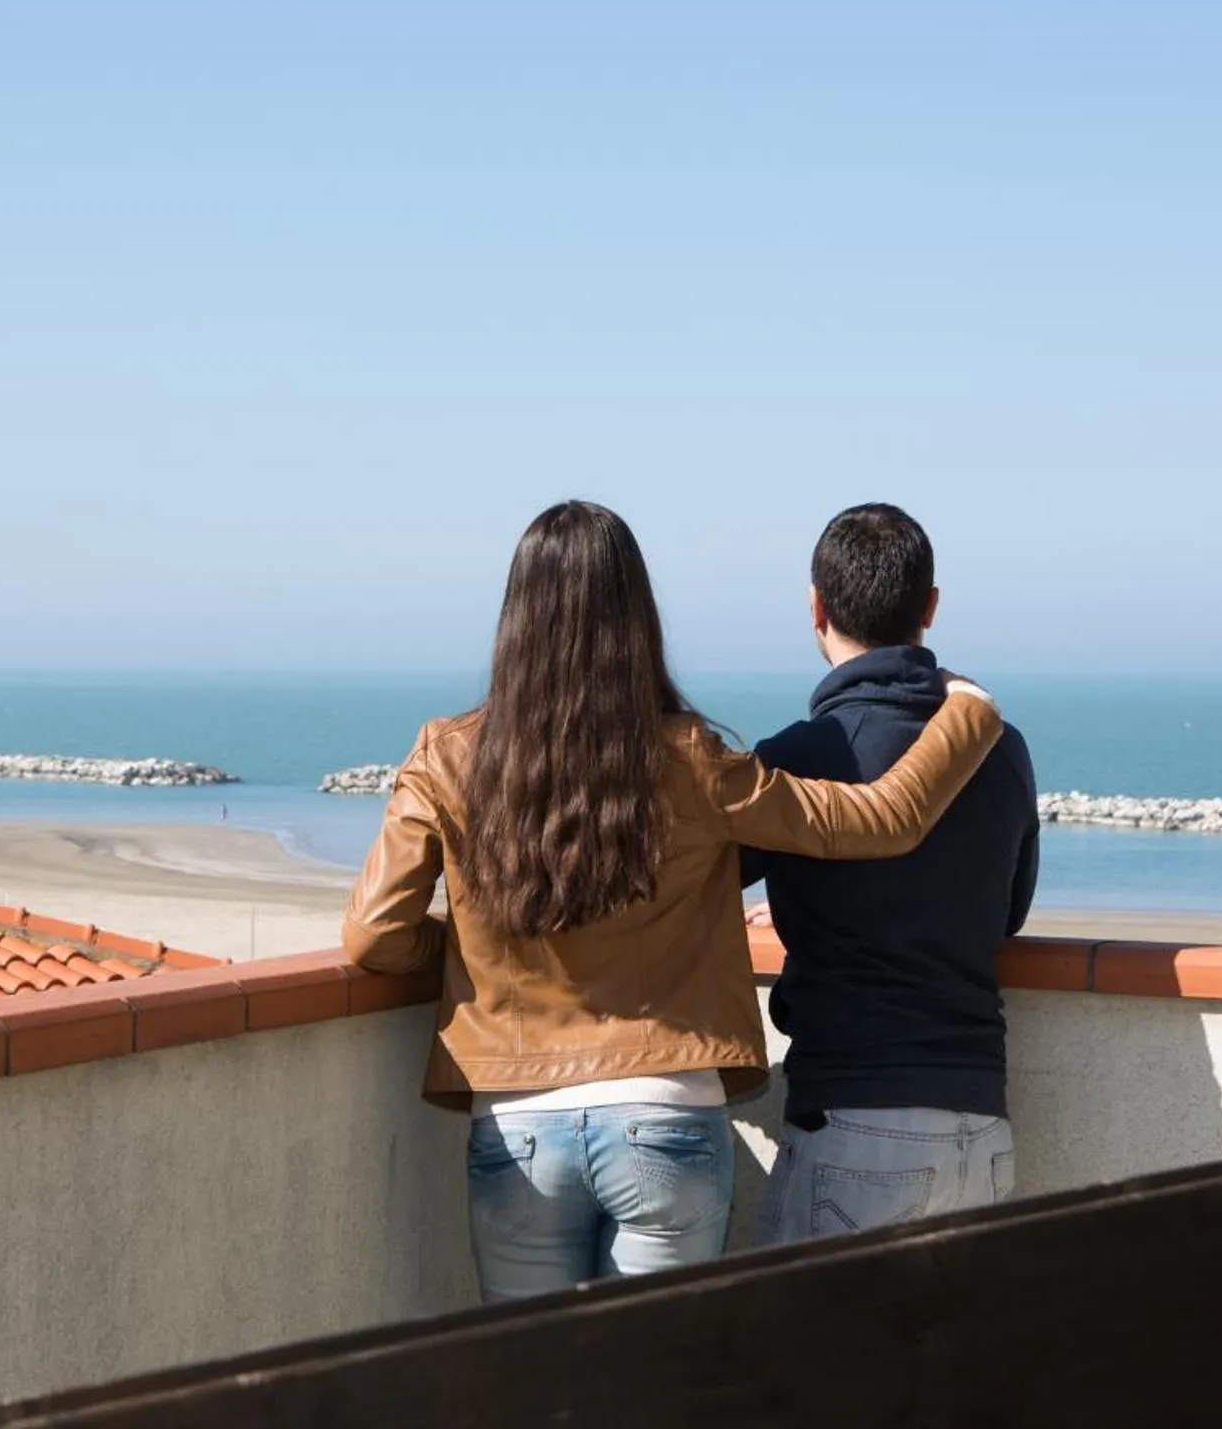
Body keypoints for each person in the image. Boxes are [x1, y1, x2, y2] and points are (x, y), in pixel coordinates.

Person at [343, 499, 1004, 1303]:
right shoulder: (689, 757)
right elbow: (880, 820)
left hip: (512, 1123)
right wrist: (967, 715)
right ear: (636, 616)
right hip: (668, 1113)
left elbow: (376, 934)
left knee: (532, 1385)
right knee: (654, 1385)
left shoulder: (443, 756)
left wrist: (461, 947)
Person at [743, 503, 1039, 1247]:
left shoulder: (799, 755)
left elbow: (688, 891)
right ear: (929, 608)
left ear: (815, 606)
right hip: (981, 1112)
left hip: (851, 1112)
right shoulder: (1000, 749)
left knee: (816, 1357)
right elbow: (1005, 913)